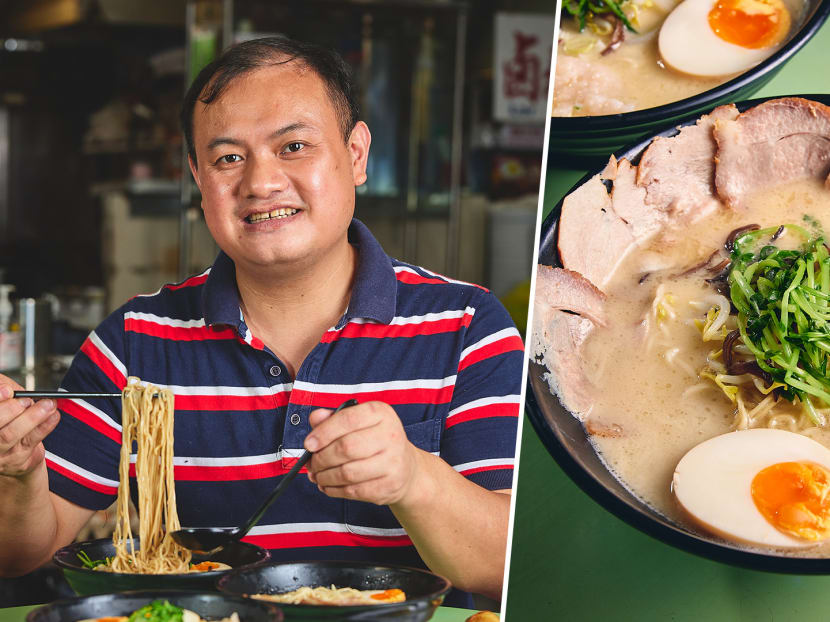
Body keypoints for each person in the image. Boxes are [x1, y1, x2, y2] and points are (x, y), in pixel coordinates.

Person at [0, 37, 523, 606]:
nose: (260, 183)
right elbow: (23, 549)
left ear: (356, 154)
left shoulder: (468, 325)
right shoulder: (135, 341)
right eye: (228, 158)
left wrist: (413, 480)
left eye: (294, 145)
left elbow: (506, 568)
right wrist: (18, 474)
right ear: (198, 177)